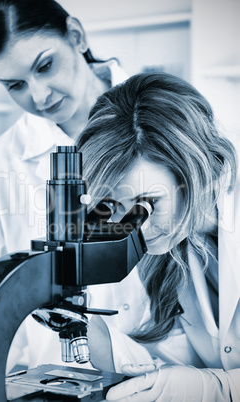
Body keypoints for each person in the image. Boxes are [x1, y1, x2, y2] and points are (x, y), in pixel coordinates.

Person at [0, 0, 127, 371]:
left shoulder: (170, 117)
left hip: (175, 374)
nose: (39, 96)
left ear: (76, 34)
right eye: (16, 85)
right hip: (57, 372)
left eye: (45, 66)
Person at [77, 72, 240, 400]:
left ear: (196, 173)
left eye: (148, 203)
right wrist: (92, 336)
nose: (133, 227)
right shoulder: (179, 243)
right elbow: (182, 359)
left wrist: (216, 389)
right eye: (112, 206)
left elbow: (207, 380)